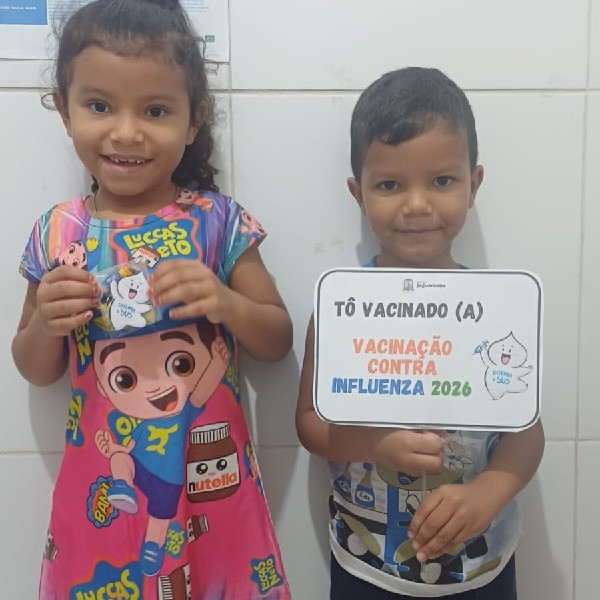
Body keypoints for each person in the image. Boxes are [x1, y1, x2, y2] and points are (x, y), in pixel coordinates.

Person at [11, 0, 293, 598]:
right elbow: (34, 368)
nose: (126, 131)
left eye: (156, 110)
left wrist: (226, 303)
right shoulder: (57, 233)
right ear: (64, 110)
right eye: (99, 106)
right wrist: (45, 325)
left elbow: (276, 339)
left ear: (194, 121)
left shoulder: (218, 222)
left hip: (210, 494)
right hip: (104, 494)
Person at [296, 67, 545, 599]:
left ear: (474, 184)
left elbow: (526, 432)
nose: (416, 204)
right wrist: (375, 443)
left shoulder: (498, 311)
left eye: (442, 181)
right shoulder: (341, 308)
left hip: (479, 563)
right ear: (358, 193)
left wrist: (490, 490)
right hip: (367, 562)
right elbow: (310, 424)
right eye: (389, 184)